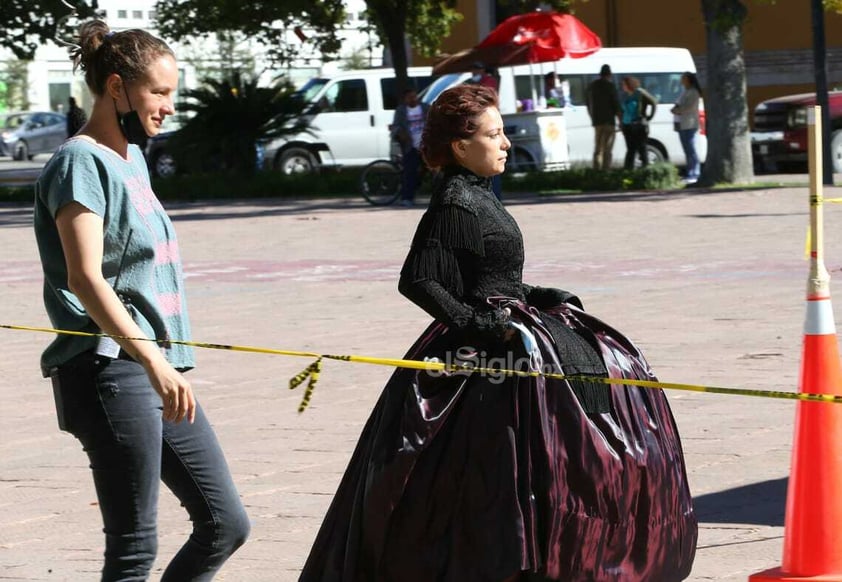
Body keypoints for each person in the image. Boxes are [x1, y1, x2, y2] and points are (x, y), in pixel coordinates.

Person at [298, 84, 697, 582]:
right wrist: (479, 324)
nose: (506, 142)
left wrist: (535, 294)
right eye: (494, 134)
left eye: (504, 132)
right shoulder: (456, 202)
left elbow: (486, 274)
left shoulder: (477, 194)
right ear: (462, 147)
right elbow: (419, 280)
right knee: (496, 465)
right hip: (487, 350)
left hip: (511, 329)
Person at [33, 20, 249, 580]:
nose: (168, 106)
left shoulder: (132, 158)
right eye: (159, 91)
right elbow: (85, 277)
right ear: (115, 88)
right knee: (133, 550)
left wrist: (162, 362)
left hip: (155, 370)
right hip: (110, 371)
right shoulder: (79, 162)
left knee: (226, 523)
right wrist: (153, 360)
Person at [391, 88, 429, 206]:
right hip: (409, 145)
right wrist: (401, 133)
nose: (413, 99)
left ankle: (417, 190)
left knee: (426, 170)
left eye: (414, 96)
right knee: (409, 172)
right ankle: (407, 197)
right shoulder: (401, 110)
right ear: (405, 99)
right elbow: (396, 126)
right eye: (410, 97)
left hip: (425, 145)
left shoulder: (425, 108)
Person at [586, 64, 622, 170]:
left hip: (597, 122)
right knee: (608, 149)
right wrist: (620, 121)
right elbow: (616, 105)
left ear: (600, 74)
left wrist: (592, 117)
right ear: (609, 75)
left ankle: (596, 171)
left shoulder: (592, 86)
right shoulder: (610, 86)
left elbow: (588, 104)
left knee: (598, 149)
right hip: (609, 122)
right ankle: (606, 171)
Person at [671, 71, 703, 183]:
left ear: (688, 79)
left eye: (683, 78)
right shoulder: (685, 92)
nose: (681, 80)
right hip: (681, 124)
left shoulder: (693, 92)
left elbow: (689, 107)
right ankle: (690, 172)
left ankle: (695, 173)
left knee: (691, 149)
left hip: (689, 124)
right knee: (687, 149)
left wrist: (677, 110)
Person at [620, 75, 658, 169]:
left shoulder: (639, 92)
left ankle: (645, 170)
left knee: (642, 149)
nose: (623, 86)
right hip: (627, 126)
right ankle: (628, 171)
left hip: (638, 125)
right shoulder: (625, 95)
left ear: (629, 84)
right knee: (630, 150)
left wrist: (649, 117)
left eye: (624, 84)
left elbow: (653, 102)